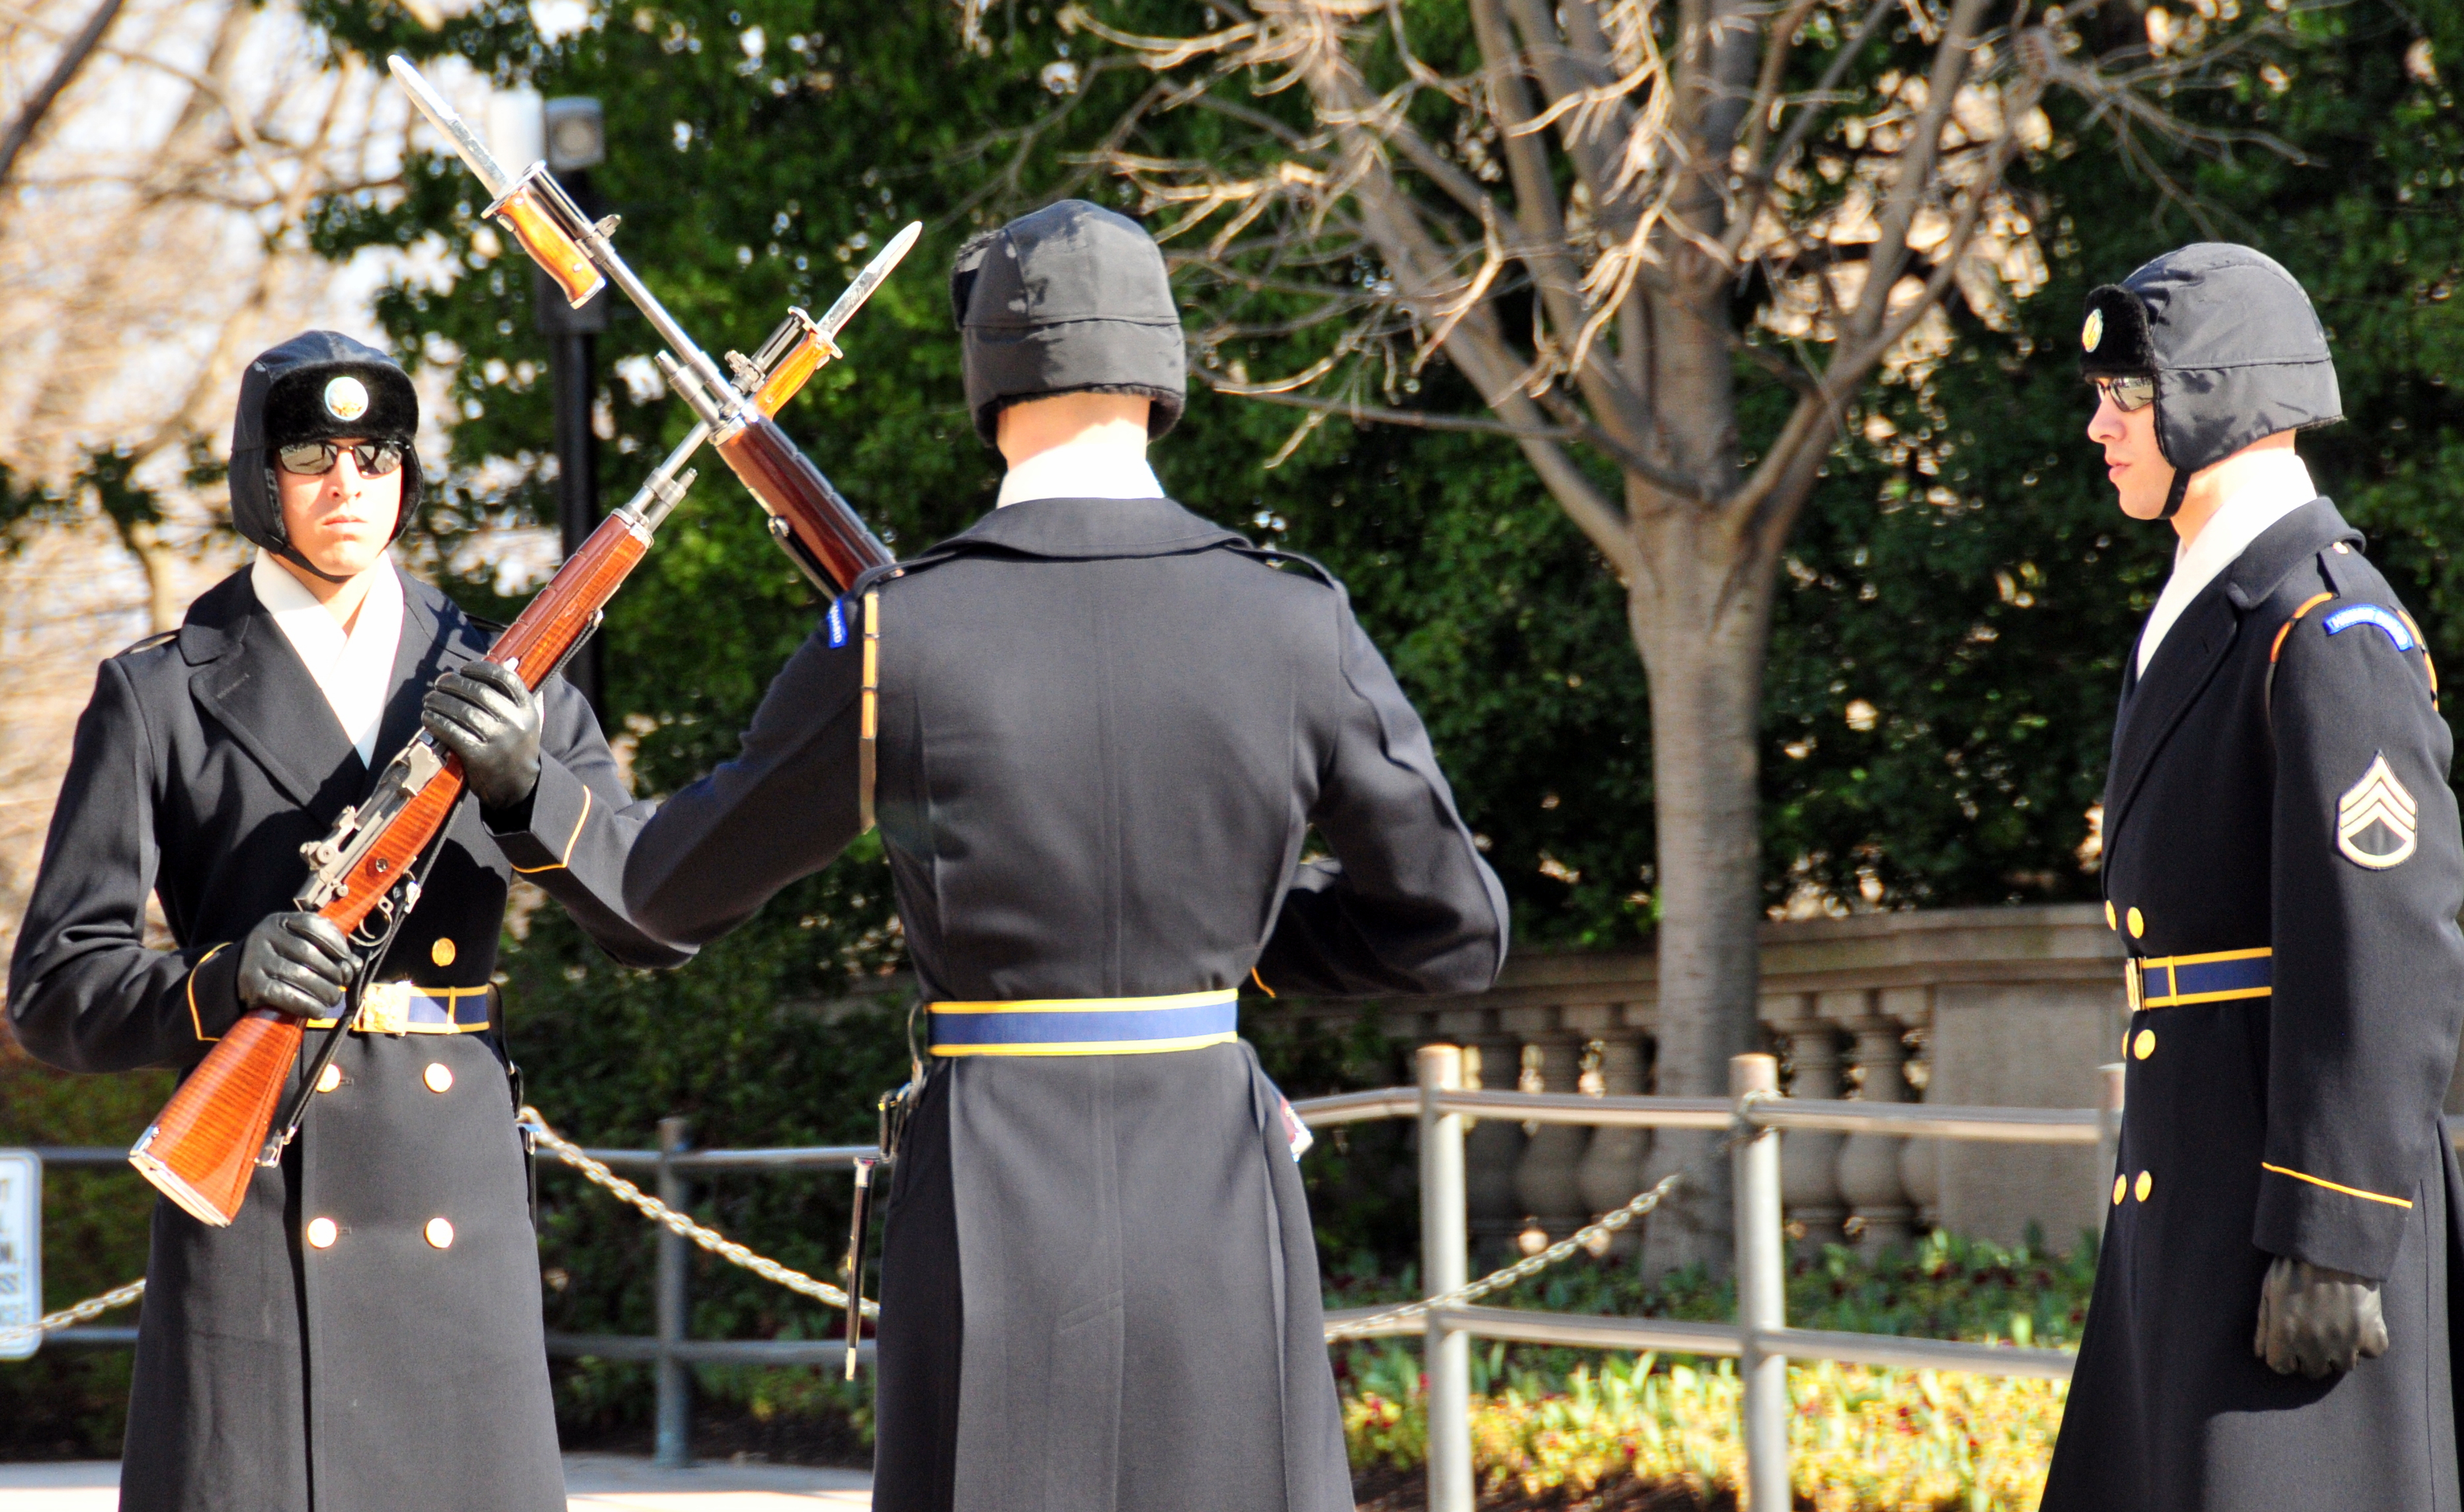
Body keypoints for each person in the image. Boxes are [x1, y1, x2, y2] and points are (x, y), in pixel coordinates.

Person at [622, 199, 1508, 1512]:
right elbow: (1454, 930)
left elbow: (669, 888)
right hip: (1215, 1181)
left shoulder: (897, 634)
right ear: (1162, 371)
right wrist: (1233, 952)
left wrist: (539, 795)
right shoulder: (1292, 618)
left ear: (988, 379)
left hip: (988, 1186)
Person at [8, 330, 690, 1511]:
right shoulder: (161, 690)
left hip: (452, 1191)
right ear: (256, 479)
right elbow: (55, 987)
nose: (348, 488)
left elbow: (654, 914)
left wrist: (532, 790)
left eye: (377, 457)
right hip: (264, 1202)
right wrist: (215, 982)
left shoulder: (495, 670)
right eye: (314, 456)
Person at [2041, 243, 2464, 1509]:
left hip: (2288, 1207)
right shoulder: (2211, 597)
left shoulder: (2325, 624)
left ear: (2210, 399)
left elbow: (2385, 942)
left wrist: (2334, 1230)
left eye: (2124, 394)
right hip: (2198, 1181)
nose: (2097, 423)